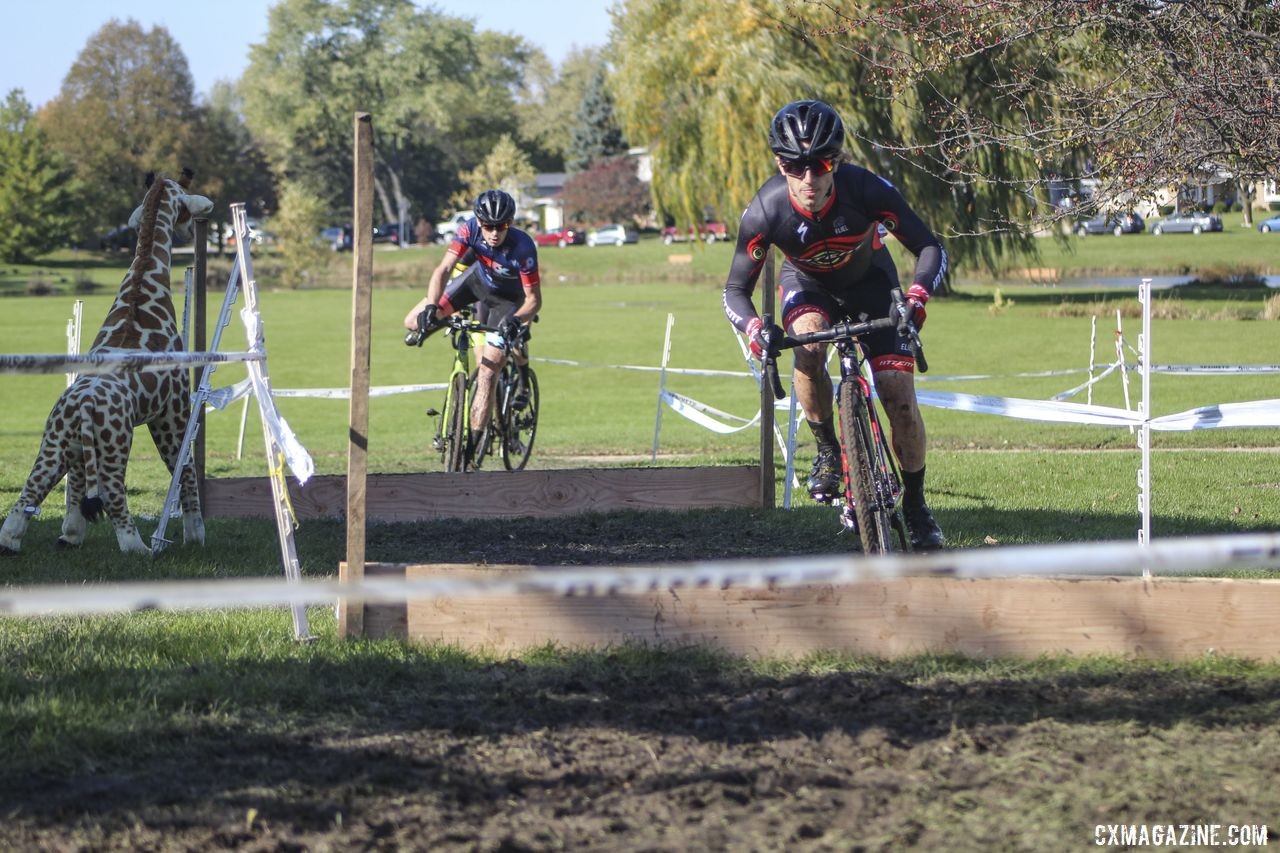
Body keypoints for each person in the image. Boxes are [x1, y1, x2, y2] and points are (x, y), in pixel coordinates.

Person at [722, 100, 948, 550]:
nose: (809, 178)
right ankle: (827, 447)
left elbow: (928, 247)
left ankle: (917, 505)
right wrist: (753, 331)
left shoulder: (864, 188)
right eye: (795, 165)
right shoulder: (766, 210)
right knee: (805, 344)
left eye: (821, 164)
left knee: (899, 397)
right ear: (778, 163)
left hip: (871, 282)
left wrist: (916, 297)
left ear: (837, 160)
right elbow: (734, 291)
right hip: (807, 283)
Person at [403, 189, 541, 456]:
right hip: (476, 285)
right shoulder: (468, 231)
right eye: (488, 226)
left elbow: (534, 299)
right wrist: (432, 307)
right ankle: (437, 324)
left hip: (509, 301)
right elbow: (443, 270)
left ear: (509, 223)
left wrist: (516, 320)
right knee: (412, 321)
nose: (494, 232)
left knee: (488, 371)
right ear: (478, 222)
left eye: (501, 226)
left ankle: (473, 450)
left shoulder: (523, 247)